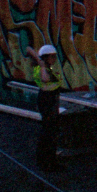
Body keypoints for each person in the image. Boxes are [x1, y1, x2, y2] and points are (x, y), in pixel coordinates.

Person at [26, 43, 65, 171]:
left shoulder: (46, 68)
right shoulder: (41, 69)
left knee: (51, 131)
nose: (54, 59)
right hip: (47, 100)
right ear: (46, 58)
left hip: (52, 99)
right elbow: (46, 79)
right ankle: (46, 161)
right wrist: (42, 65)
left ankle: (48, 159)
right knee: (49, 131)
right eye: (52, 57)